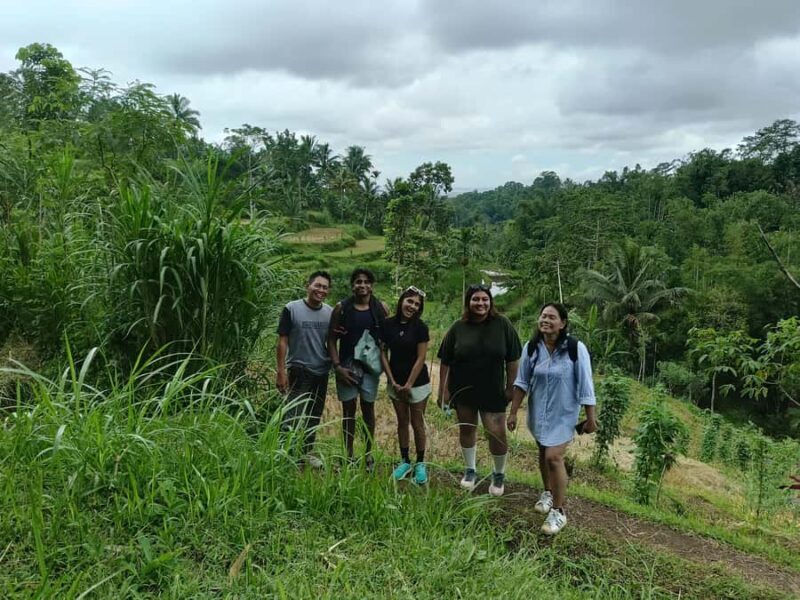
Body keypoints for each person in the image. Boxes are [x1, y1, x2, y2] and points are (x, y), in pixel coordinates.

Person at [507, 302, 597, 535]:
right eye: (543, 316)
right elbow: (522, 381)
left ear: (563, 323)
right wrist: (514, 411)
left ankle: (558, 511)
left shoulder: (576, 349)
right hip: (538, 412)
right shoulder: (532, 347)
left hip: (564, 414)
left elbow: (586, 385)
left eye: (552, 317)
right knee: (542, 451)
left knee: (554, 457)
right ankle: (547, 492)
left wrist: (590, 418)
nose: (546, 320)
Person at [437, 284, 521, 496]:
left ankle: (499, 473)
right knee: (467, 429)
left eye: (485, 299)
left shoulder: (503, 324)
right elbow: (445, 361)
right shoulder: (458, 327)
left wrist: (511, 388)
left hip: (493, 390)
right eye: (476, 299)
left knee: (497, 433)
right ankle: (470, 470)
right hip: (463, 388)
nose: (480, 303)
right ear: (468, 302)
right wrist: (443, 391)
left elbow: (513, 358)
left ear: (490, 302)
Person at [328, 267, 389, 469]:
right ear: (352, 285)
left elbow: (387, 340)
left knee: (368, 409)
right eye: (357, 281)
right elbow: (331, 339)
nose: (362, 285)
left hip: (370, 368)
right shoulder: (342, 308)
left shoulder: (380, 308)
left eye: (365, 281)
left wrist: (386, 368)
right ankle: (348, 454)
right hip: (346, 366)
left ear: (371, 285)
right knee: (348, 410)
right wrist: (337, 367)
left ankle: (369, 454)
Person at [276, 271, 334, 467]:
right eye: (317, 285)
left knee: (313, 414)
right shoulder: (291, 309)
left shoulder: (330, 312)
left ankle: (306, 452)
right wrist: (281, 370)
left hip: (322, 370)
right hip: (299, 369)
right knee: (293, 414)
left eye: (325, 287)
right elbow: (283, 341)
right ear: (308, 286)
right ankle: (285, 453)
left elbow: (333, 340)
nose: (321, 290)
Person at [380, 286, 431, 485]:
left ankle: (420, 462)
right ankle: (404, 461)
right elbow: (382, 352)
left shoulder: (420, 327)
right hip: (395, 381)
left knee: (417, 422)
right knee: (402, 420)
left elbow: (421, 358)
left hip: (417, 384)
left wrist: (409, 383)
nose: (412, 306)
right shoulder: (387, 324)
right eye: (410, 301)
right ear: (402, 301)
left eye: (417, 304)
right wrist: (391, 380)